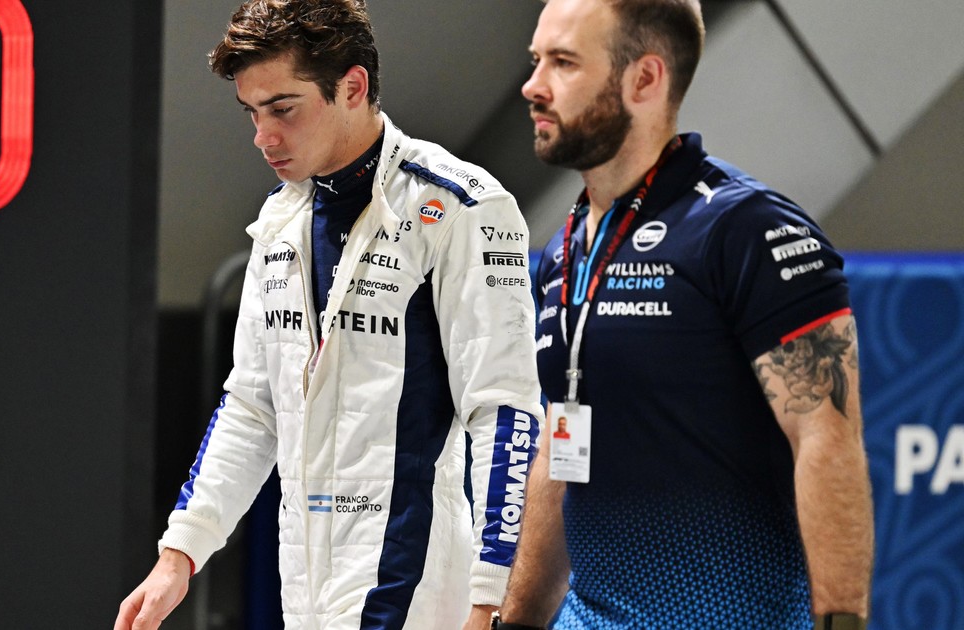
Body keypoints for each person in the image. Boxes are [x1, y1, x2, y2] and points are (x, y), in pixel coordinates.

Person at [114, 1, 544, 629]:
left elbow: (506, 412)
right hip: (304, 582)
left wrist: (492, 597)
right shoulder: (280, 218)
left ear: (353, 87)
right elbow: (253, 407)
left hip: (414, 584)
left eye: (282, 109)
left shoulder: (461, 206)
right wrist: (179, 555)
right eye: (252, 113)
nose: (263, 136)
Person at [493, 0, 875, 628]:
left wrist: (842, 622)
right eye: (537, 60)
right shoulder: (566, 251)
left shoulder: (747, 229)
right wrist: (516, 621)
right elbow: (564, 449)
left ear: (645, 79)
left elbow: (825, 439)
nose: (533, 86)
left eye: (563, 63)